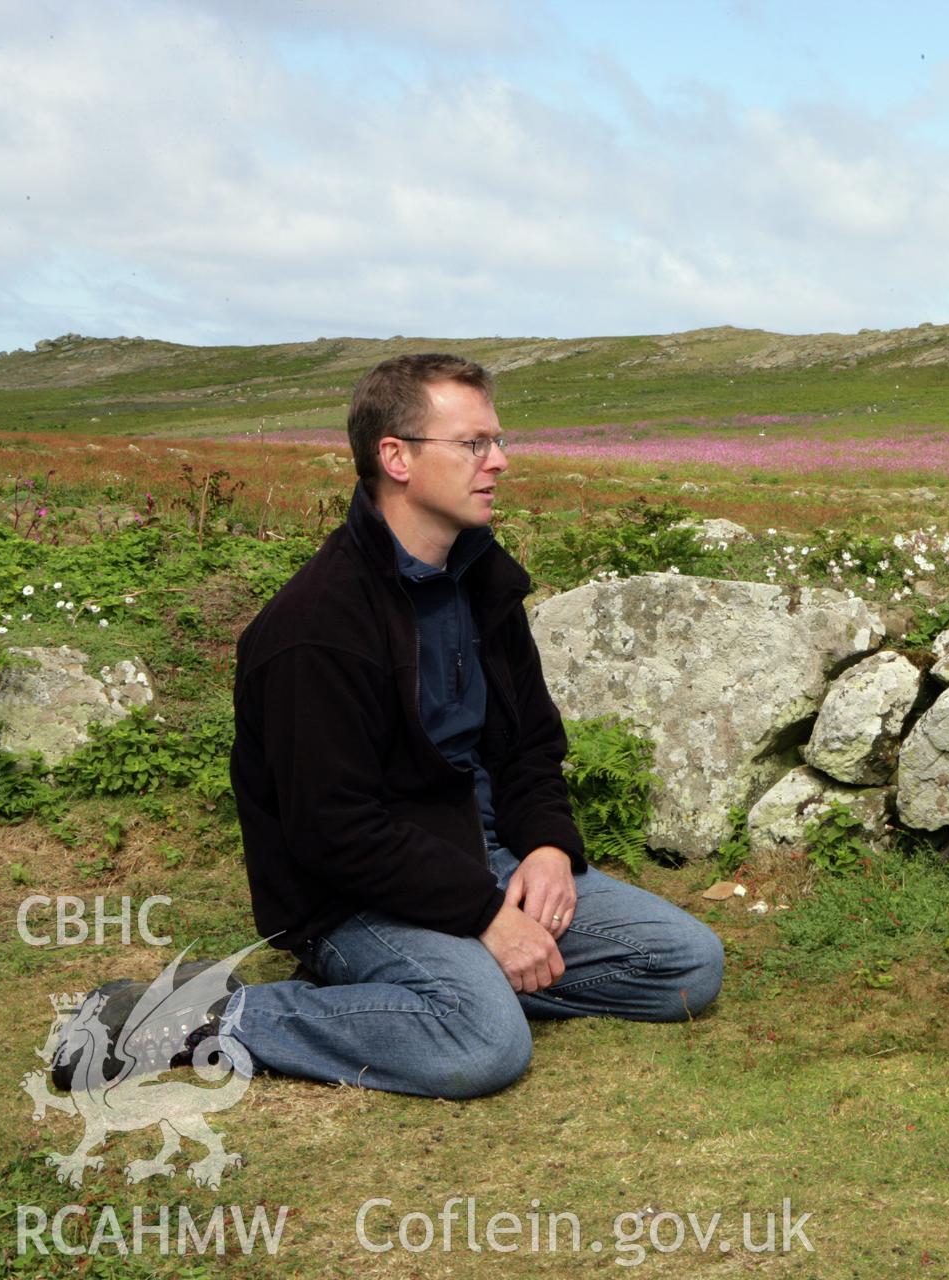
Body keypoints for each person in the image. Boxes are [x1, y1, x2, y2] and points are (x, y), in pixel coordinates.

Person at [57, 353, 723, 1100]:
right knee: (485, 1045)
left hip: (487, 858)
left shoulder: (483, 582)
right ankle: (189, 1015)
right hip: (355, 898)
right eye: (473, 444)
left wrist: (544, 847)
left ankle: (441, 998)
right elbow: (331, 830)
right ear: (396, 457)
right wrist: (483, 917)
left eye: (498, 441)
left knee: (687, 969)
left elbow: (531, 745)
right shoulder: (315, 627)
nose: (498, 462)